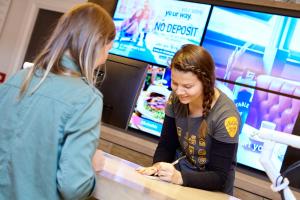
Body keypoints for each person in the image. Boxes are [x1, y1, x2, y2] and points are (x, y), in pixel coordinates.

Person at [0, 3, 115, 200]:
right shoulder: (86, 99)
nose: (105, 58)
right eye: (107, 49)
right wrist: (91, 167)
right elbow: (73, 186)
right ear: (95, 44)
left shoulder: (19, 78)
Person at [137, 44, 241, 195]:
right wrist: (158, 167)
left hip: (213, 192)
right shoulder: (175, 99)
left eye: (187, 86)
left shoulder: (226, 116)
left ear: (206, 83)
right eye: (175, 83)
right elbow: (166, 145)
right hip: (179, 181)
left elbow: (219, 177)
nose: (179, 91)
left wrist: (178, 177)